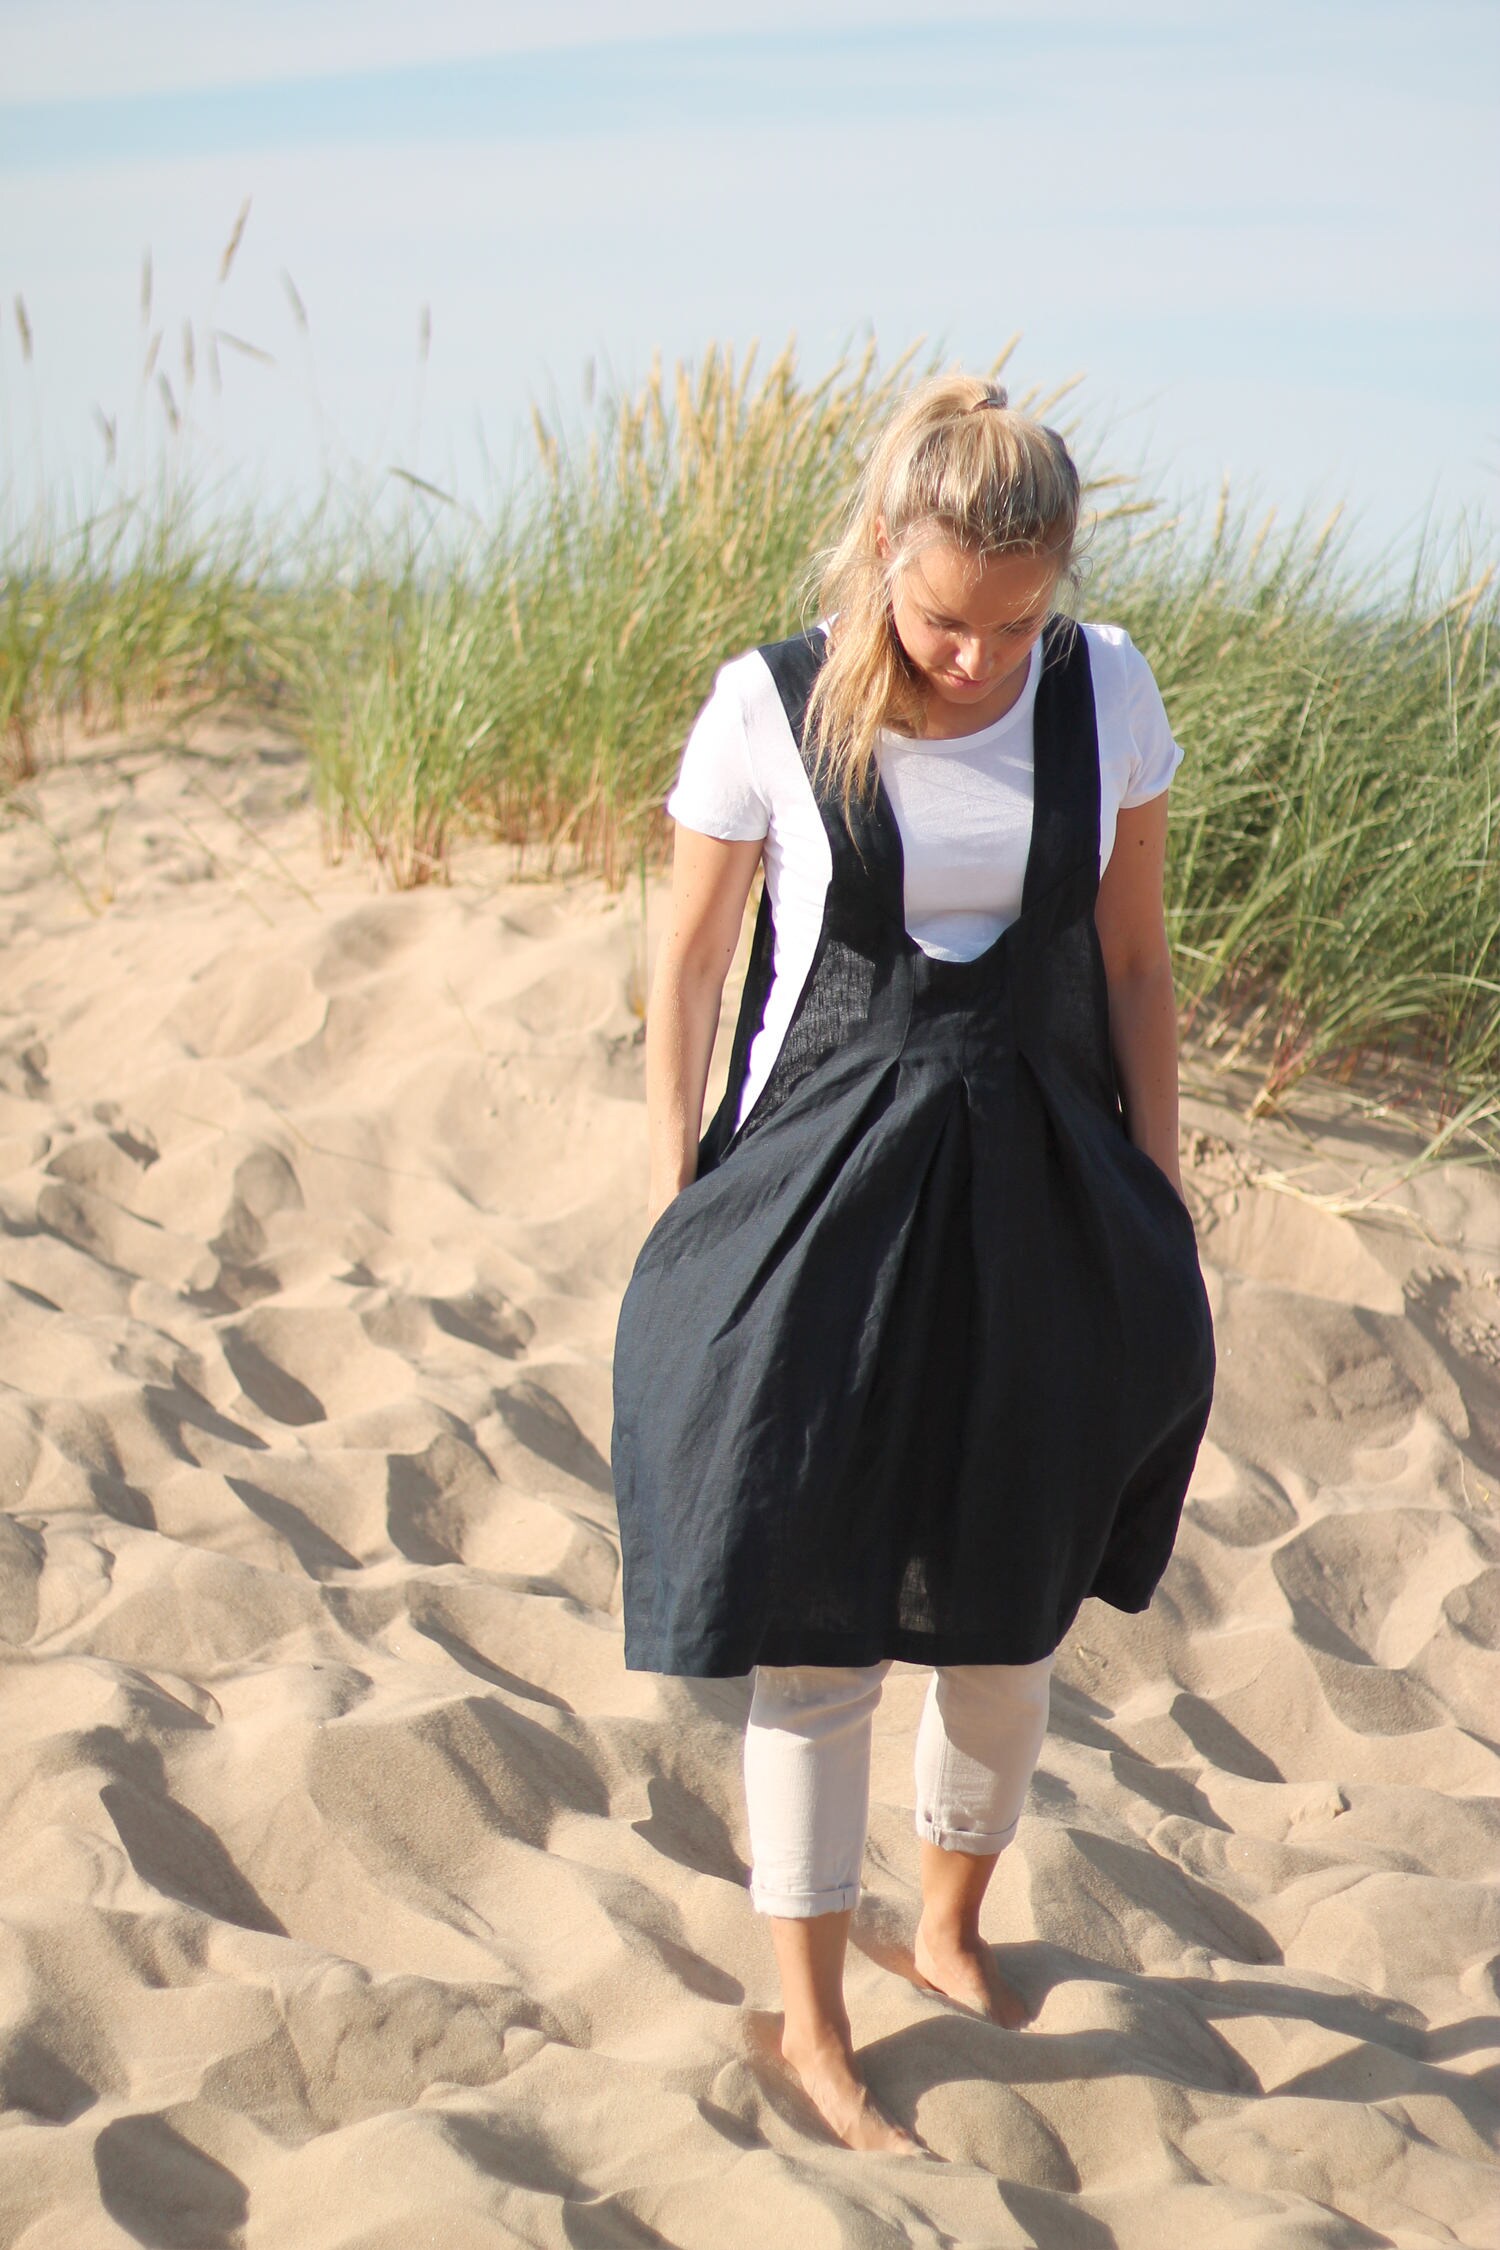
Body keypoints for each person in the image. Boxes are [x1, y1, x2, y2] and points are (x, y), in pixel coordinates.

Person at [611, 372, 1215, 2155]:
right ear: (886, 551)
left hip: (1042, 1189)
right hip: (820, 1200)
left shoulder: (1105, 692)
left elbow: (1133, 965)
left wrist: (1156, 1194)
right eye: (948, 619)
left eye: (1014, 624)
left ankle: (945, 1925)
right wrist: (679, 1201)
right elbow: (688, 968)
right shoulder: (766, 704)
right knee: (813, 1628)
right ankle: (808, 2021)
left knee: (1011, 1612)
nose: (978, 660)